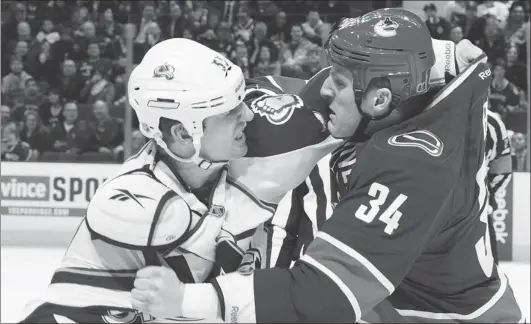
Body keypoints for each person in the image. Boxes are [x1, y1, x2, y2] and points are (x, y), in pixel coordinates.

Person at [131, 9, 524, 323]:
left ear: (380, 98)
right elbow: (439, 60)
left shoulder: (413, 164)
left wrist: (187, 299)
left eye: (338, 81)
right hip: (395, 299)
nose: (323, 88)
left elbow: (323, 296)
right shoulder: (435, 99)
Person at [18, 38, 335, 324]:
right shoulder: (141, 203)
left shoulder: (219, 150)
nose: (248, 115)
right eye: (229, 111)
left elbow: (315, 90)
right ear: (184, 134)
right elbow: (206, 285)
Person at [485, 110, 512, 263]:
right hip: (433, 215)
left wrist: (488, 196)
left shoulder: (491, 122)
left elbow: (502, 168)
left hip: (477, 215)